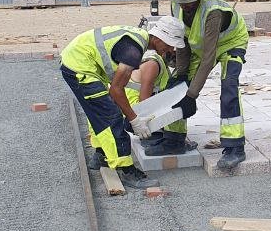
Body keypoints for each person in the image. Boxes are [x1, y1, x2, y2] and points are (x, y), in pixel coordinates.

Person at [60, 18, 186, 189]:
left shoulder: (138, 41)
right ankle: (126, 170)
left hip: (78, 61)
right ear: (158, 38)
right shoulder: (133, 51)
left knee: (99, 112)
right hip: (80, 66)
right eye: (170, 44)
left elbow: (116, 87)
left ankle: (101, 155)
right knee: (111, 117)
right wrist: (134, 119)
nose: (171, 49)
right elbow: (116, 89)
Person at [167, 0, 250, 170]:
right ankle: (174, 139)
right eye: (181, 2)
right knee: (177, 85)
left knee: (229, 86)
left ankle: (235, 146)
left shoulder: (213, 11)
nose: (185, 6)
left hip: (230, 43)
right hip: (201, 47)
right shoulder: (176, 5)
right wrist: (182, 75)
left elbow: (208, 58)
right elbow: (182, 42)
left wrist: (191, 95)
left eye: (189, 1)